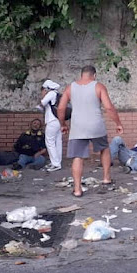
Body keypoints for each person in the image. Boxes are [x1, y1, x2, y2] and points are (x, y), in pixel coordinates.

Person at [57, 65, 124, 197]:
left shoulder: (70, 88)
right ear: (94, 75)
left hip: (77, 126)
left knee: (77, 156)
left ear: (81, 75)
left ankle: (77, 189)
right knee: (104, 148)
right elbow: (109, 108)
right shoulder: (98, 86)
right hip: (96, 125)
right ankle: (106, 178)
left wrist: (63, 124)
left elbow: (60, 108)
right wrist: (118, 123)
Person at [34, 79, 64, 172]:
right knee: (58, 141)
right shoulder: (57, 94)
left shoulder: (51, 94)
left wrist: (42, 99)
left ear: (46, 89)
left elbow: (42, 104)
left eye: (42, 90)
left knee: (50, 142)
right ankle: (57, 162)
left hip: (52, 121)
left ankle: (55, 164)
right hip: (58, 120)